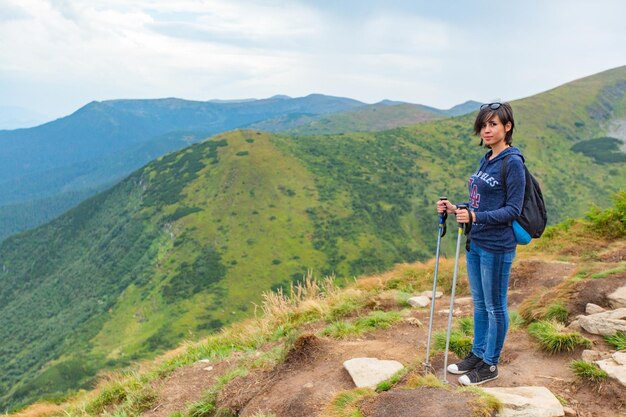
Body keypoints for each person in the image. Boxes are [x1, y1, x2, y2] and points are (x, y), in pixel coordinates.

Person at [436, 102, 525, 385]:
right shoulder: (487, 158)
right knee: (480, 303)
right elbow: (480, 201)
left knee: (495, 306)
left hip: (497, 245)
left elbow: (513, 209)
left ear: (507, 127)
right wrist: (456, 208)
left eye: (493, 124)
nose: (487, 130)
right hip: (477, 241)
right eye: (484, 125)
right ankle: (477, 353)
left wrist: (475, 216)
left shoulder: (512, 162)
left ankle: (490, 364)